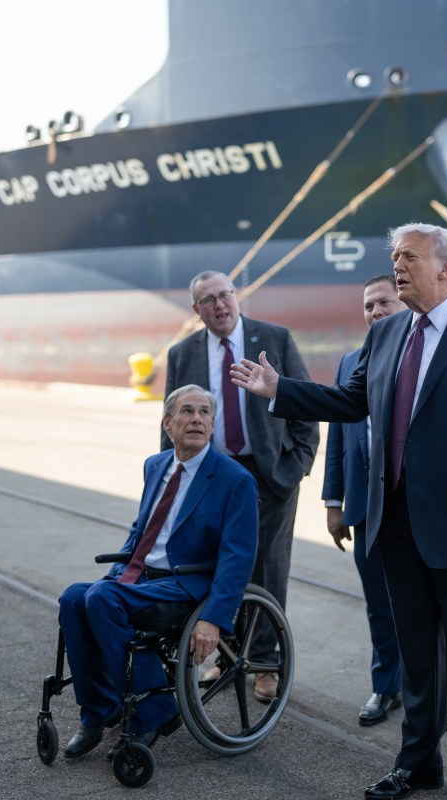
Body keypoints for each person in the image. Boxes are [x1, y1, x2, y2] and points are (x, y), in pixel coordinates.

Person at [232, 222, 447, 800]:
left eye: (409, 258)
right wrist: (281, 388)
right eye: (395, 257)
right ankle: (417, 764)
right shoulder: (385, 334)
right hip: (394, 520)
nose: (397, 267)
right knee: (416, 656)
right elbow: (350, 402)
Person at [58, 385, 258, 759]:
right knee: (73, 597)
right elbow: (141, 531)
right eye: (186, 411)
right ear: (168, 423)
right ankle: (98, 712)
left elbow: (238, 557)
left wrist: (214, 618)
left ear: (213, 425)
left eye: (203, 413)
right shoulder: (155, 465)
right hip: (140, 578)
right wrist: (117, 573)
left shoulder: (235, 480)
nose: (196, 419)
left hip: (185, 585)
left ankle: (153, 710)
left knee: (101, 600)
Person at [163, 271, 319, 702]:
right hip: (209, 475)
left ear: (237, 296)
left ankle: (266, 666)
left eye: (225, 295)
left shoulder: (276, 338)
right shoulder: (183, 353)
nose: (219, 305)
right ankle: (225, 655)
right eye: (208, 300)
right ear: (197, 311)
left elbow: (304, 406)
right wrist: (172, 480)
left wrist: (294, 468)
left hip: (270, 476)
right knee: (213, 570)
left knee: (267, 572)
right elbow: (172, 422)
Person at [322, 274, 406, 726]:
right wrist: (333, 503)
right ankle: (385, 687)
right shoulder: (351, 362)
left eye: (384, 304)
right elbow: (337, 436)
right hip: (366, 508)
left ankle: (435, 691)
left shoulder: (420, 358)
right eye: (369, 306)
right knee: (379, 604)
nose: (375, 312)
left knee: (427, 607)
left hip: (413, 506)